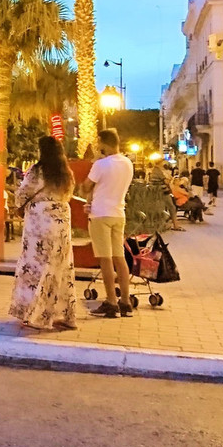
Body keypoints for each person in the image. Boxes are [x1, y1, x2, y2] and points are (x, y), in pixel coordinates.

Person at [8, 136, 77, 331]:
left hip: (40, 221)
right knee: (61, 267)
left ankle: (36, 316)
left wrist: (19, 206)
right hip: (62, 218)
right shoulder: (66, 173)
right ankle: (66, 315)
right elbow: (69, 194)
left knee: (36, 267)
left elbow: (23, 193)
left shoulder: (38, 171)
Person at [82, 129, 135, 318]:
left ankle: (111, 302)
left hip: (100, 214)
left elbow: (85, 186)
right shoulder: (128, 163)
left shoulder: (100, 164)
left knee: (105, 259)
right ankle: (126, 302)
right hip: (118, 214)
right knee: (119, 258)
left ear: (104, 143)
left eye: (99, 143)